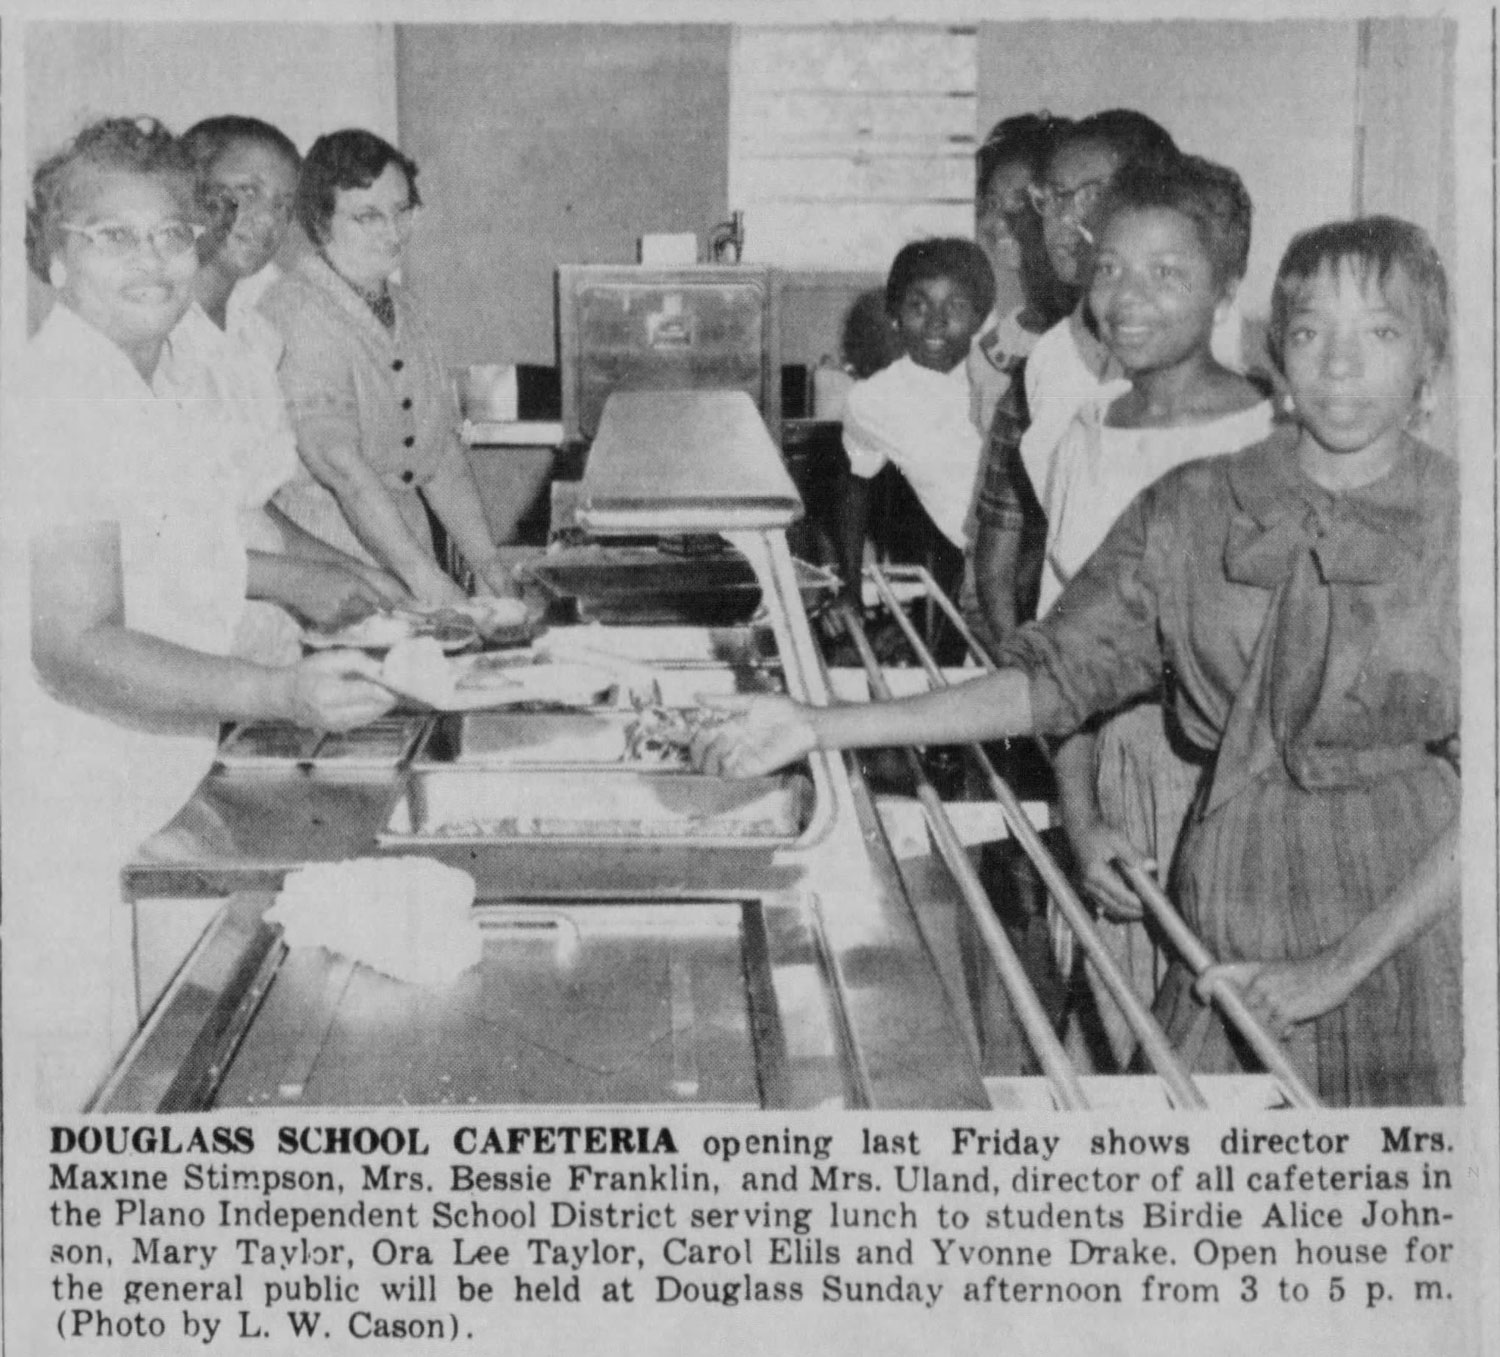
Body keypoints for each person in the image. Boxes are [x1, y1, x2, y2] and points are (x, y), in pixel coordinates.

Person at [693, 216, 1459, 1107]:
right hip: (1226, 907)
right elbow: (1049, 678)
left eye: (1381, 333)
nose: (1339, 364)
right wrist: (817, 725)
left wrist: (1338, 966)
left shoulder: (1467, 523)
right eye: (1309, 332)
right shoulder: (1197, 504)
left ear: (1429, 369)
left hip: (1411, 918)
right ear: (1278, 359)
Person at [10, 117, 396, 1110]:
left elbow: (217, 543)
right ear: (50, 252)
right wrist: (276, 689)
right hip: (70, 811)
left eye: (174, 233)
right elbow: (72, 647)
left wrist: (339, 594)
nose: (153, 261)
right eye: (113, 235)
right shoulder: (55, 402)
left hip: (159, 779)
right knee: (86, 1098)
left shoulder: (154, 385)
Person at [1037, 155, 1273, 1067]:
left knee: (1235, 1068)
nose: (1125, 300)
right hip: (1122, 785)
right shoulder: (1081, 437)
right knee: (1118, 1055)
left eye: (1166, 273)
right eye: (1109, 270)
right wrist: (1083, 817)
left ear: (1226, 288)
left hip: (1247, 792)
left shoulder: (1272, 436)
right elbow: (1060, 660)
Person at [170, 116, 409, 664]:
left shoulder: (255, 338)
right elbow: (159, 543)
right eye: (245, 193)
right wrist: (298, 580)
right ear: (183, 191)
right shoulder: (153, 339)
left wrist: (348, 570)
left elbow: (247, 507)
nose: (264, 219)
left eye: (281, 204)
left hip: (257, 641)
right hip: (182, 646)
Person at [262, 128, 512, 606]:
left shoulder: (406, 309)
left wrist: (488, 565)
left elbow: (439, 455)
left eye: (402, 211)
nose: (393, 233)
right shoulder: (296, 309)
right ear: (320, 222)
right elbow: (341, 467)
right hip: (329, 556)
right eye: (367, 217)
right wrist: (426, 580)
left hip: (405, 552)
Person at [837, 237, 996, 622]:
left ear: (979, 314)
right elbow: (855, 485)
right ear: (895, 313)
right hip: (976, 567)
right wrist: (850, 588)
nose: (936, 321)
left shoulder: (999, 374)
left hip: (1031, 556)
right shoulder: (873, 400)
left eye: (955, 306)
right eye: (918, 305)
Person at [969, 112, 1079, 651]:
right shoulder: (1010, 354)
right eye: (989, 205)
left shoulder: (1111, 351)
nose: (995, 224)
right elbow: (994, 564)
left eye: (1019, 208)